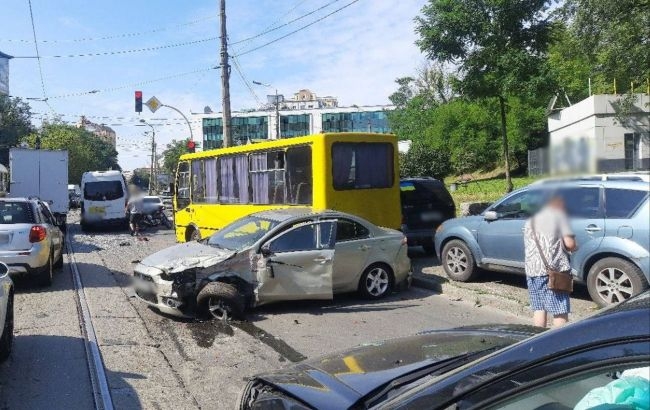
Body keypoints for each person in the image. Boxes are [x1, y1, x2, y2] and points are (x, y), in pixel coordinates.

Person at [523, 193, 577, 328]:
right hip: (553, 272)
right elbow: (570, 244)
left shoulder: (531, 220)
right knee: (560, 310)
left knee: (539, 308)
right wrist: (575, 246)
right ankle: (559, 344)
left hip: (532, 271)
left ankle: (537, 339)